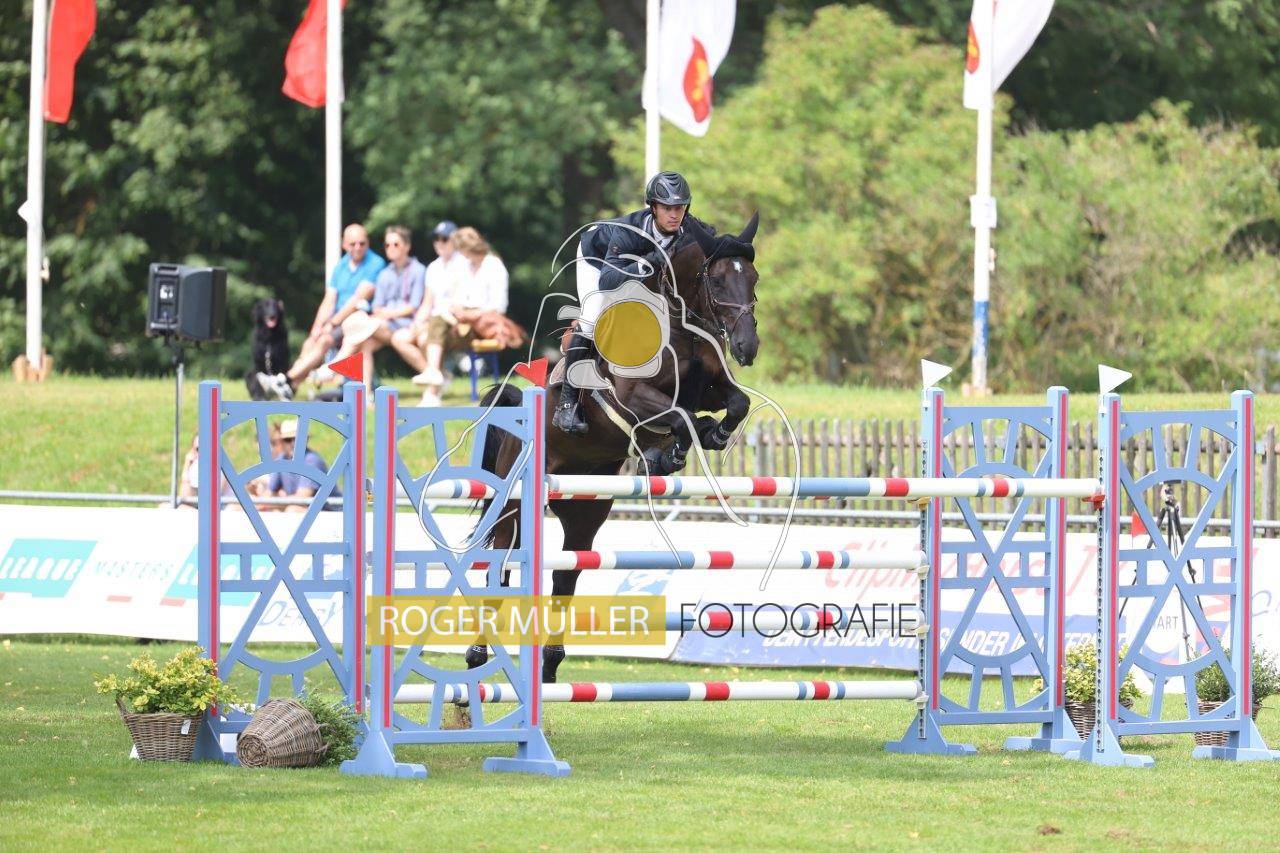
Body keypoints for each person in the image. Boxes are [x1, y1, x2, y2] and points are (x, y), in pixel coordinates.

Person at [553, 171, 698, 435]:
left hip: (630, 269)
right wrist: (646, 263)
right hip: (597, 259)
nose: (674, 214)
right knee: (592, 319)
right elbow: (608, 282)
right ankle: (566, 404)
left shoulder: (688, 228)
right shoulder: (629, 233)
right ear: (654, 208)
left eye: (679, 208)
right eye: (667, 208)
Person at [260, 223, 385, 399]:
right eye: (353, 244)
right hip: (339, 321)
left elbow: (356, 300)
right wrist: (317, 327)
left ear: (368, 243)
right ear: (344, 244)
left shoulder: (375, 263)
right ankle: (290, 386)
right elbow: (329, 300)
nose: (358, 247)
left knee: (324, 340)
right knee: (311, 342)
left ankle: (285, 379)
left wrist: (332, 323)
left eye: (362, 243)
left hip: (357, 321)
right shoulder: (341, 266)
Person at [412, 226, 511, 406]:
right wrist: (457, 309)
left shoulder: (494, 266)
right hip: (463, 322)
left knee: (433, 333)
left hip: (484, 326)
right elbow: (458, 296)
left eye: (462, 250)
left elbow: (498, 306)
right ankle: (434, 382)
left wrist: (469, 313)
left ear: (470, 248)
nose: (461, 254)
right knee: (432, 329)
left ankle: (434, 384)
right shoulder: (466, 266)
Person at [356, 225, 429, 389]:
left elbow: (413, 306)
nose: (391, 248)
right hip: (387, 326)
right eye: (387, 245)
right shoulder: (384, 273)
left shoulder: (418, 270)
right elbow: (376, 306)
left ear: (407, 246)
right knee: (364, 343)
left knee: (364, 331)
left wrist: (386, 314)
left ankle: (433, 374)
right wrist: (384, 314)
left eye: (396, 244)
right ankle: (366, 393)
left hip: (410, 325)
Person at [266, 419, 331, 512]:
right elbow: (268, 494)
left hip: (332, 513)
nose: (293, 444)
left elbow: (302, 499)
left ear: (306, 440)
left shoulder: (312, 461)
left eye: (298, 439)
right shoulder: (281, 460)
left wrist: (273, 501)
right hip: (309, 513)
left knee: (292, 510)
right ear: (281, 442)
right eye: (288, 440)